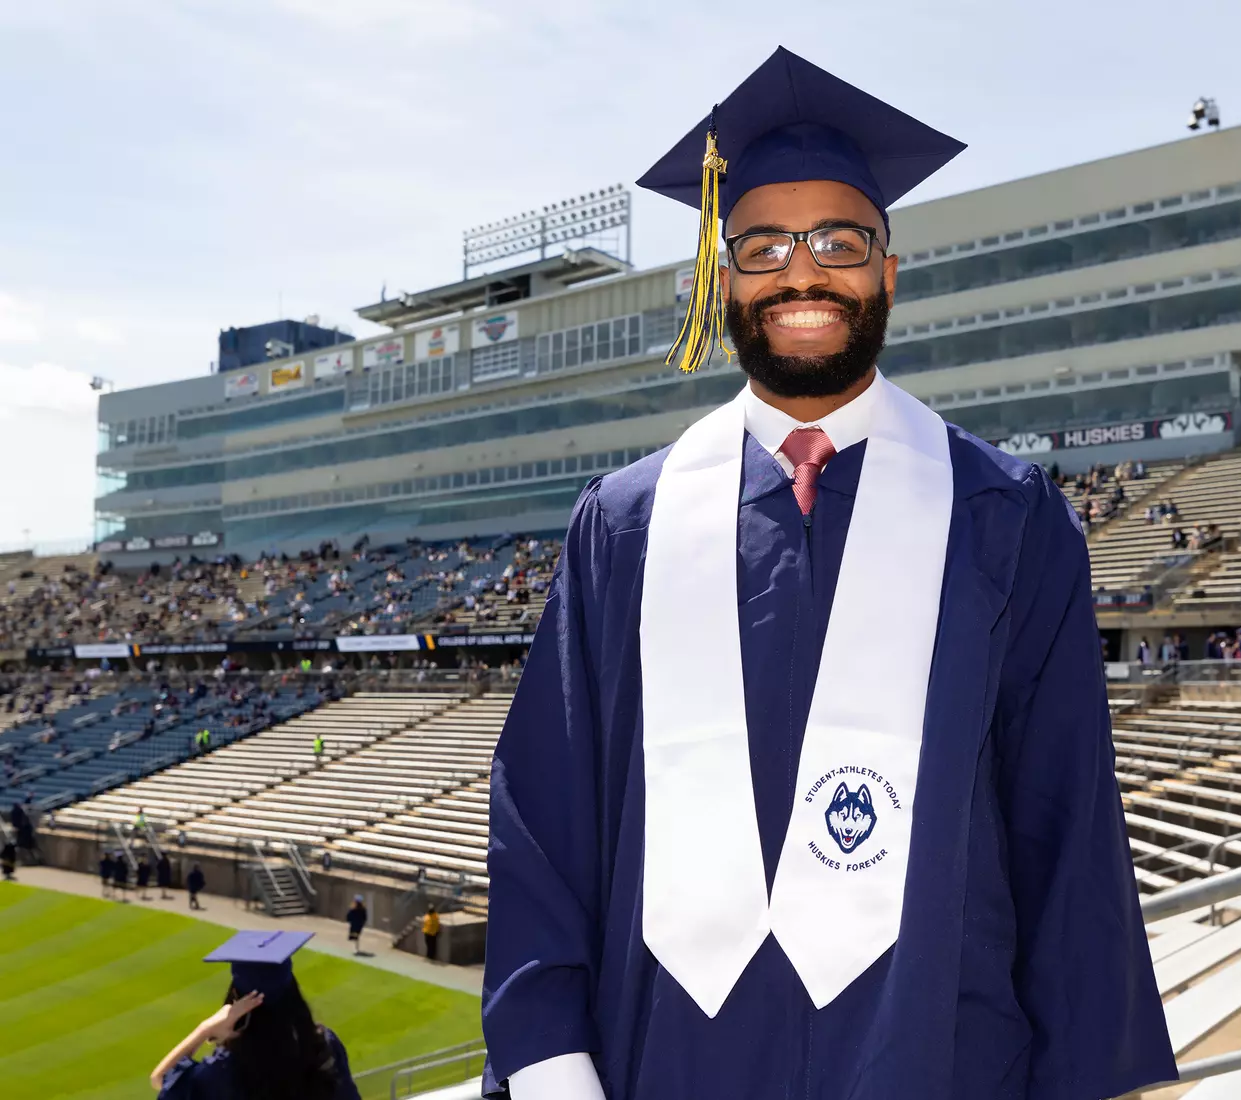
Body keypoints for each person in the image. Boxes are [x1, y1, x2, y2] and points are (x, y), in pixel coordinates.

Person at [483, 48, 1172, 1100]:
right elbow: (546, 814)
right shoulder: (624, 526)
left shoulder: (1005, 517)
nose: (801, 273)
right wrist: (547, 1064)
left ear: (889, 269)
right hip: (665, 1057)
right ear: (723, 284)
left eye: (839, 241)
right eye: (762, 246)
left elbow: (1066, 832)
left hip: (940, 1055)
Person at [149, 930, 360, 1099]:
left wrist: (206, 1029)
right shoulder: (324, 1045)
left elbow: (161, 1079)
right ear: (292, 992)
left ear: (237, 1002)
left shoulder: (224, 1070)